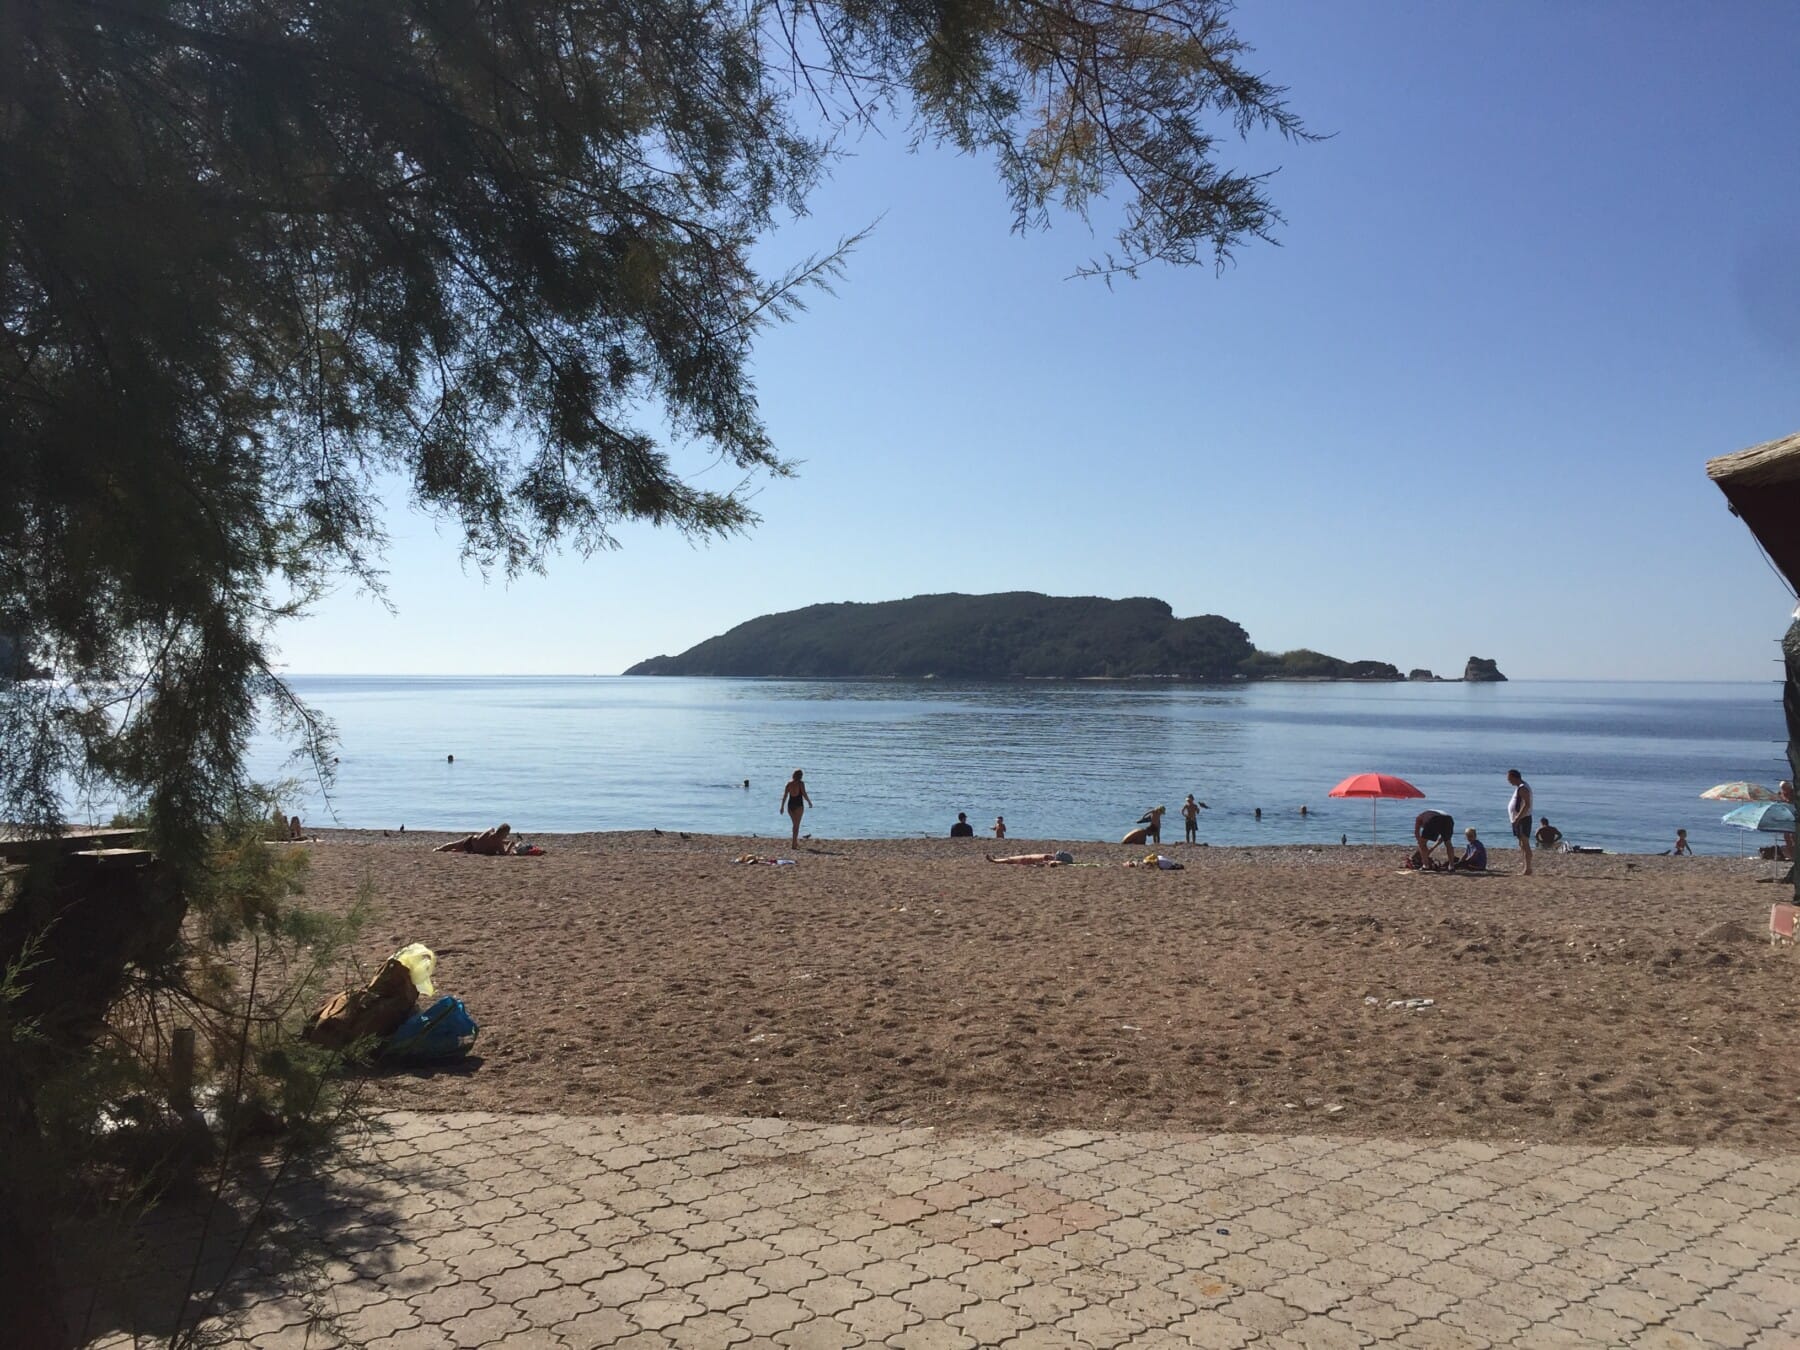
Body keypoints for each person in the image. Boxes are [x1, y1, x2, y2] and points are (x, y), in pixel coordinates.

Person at [1507, 769, 1534, 875]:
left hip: (1523, 819)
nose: (1509, 781)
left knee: (1525, 843)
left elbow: (1526, 805)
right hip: (1518, 819)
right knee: (1521, 844)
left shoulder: (1523, 788)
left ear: (1514, 777)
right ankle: (1526, 866)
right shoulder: (1519, 788)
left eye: (1509, 779)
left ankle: (1528, 868)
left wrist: (1517, 818)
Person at [780, 769, 813, 847]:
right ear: (800, 776)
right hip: (799, 805)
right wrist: (809, 802)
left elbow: (785, 796)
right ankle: (794, 843)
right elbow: (804, 794)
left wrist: (782, 807)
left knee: (794, 824)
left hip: (790, 805)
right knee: (796, 825)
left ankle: (794, 842)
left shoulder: (788, 784)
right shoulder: (801, 784)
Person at [436, 823, 514, 855]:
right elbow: (504, 853)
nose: (507, 835)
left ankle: (439, 849)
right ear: (504, 833)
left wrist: (505, 842)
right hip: (472, 847)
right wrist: (510, 845)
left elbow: (483, 839)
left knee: (454, 845)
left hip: (471, 841)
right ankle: (440, 849)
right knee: (454, 846)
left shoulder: (490, 832)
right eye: (507, 833)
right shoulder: (498, 843)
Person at [987, 850, 1074, 866]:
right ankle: (996, 860)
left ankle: (995, 860)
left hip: (1027, 859)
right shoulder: (1053, 857)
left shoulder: (1055, 861)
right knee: (1010, 859)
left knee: (1010, 860)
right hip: (1028, 858)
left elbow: (1054, 863)